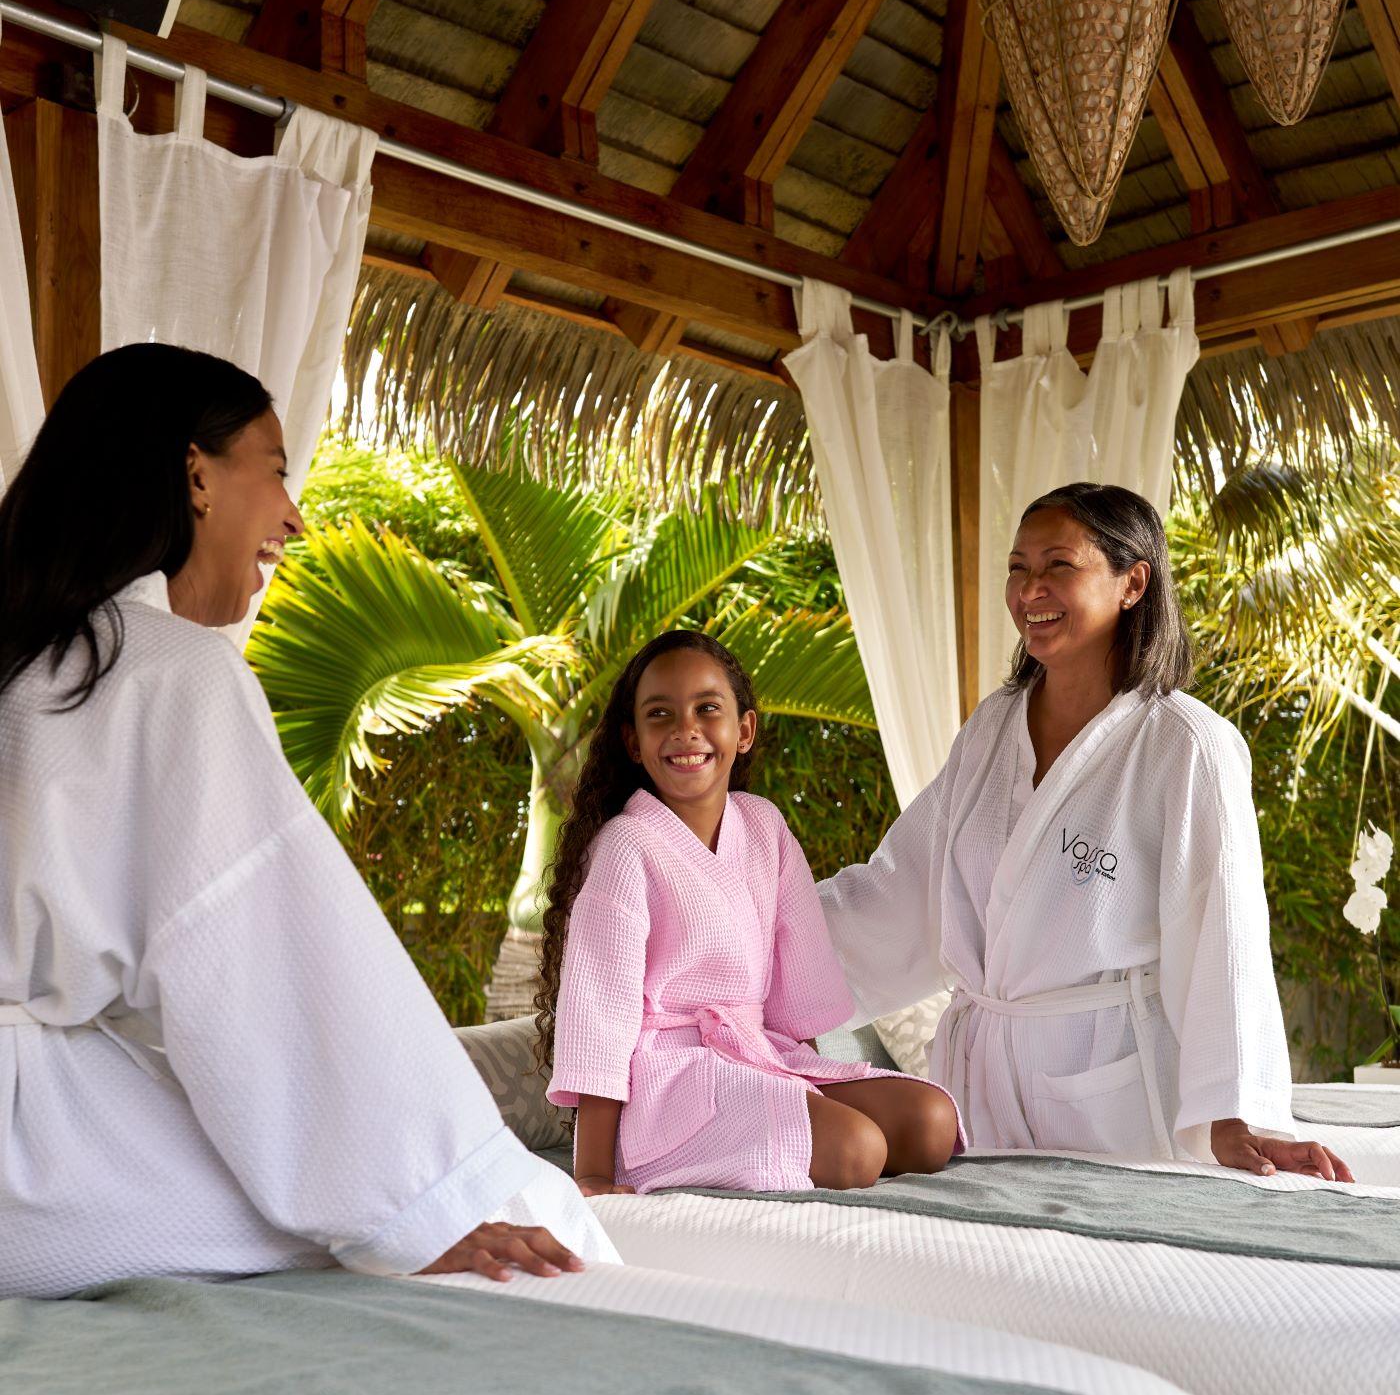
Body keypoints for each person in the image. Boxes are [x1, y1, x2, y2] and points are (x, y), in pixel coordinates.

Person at [0, 343, 608, 1299]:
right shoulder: (169, 675)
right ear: (196, 474)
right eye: (276, 469)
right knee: (344, 1214)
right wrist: (416, 1204)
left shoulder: (27, 662)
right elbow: (261, 958)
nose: (292, 514)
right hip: (22, 1157)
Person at [818, 482, 1352, 1182]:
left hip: (1111, 1095)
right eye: (1018, 567)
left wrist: (1236, 1115)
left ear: (1133, 583)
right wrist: (755, 934)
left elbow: (1223, 932)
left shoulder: (1187, 744)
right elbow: (904, 890)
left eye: (1057, 566)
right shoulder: (990, 730)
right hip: (982, 1091)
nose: (1029, 589)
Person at [537, 629, 961, 1196]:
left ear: (744, 730)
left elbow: (797, 993)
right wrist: (591, 1173)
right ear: (633, 742)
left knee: (929, 1123)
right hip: (669, 1085)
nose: (685, 729)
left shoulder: (763, 826)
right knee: (855, 1149)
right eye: (659, 714)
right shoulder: (626, 847)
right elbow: (600, 1014)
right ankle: (665, 1163)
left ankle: (806, 1134)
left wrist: (803, 1090)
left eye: (707, 708)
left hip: (755, 1055)